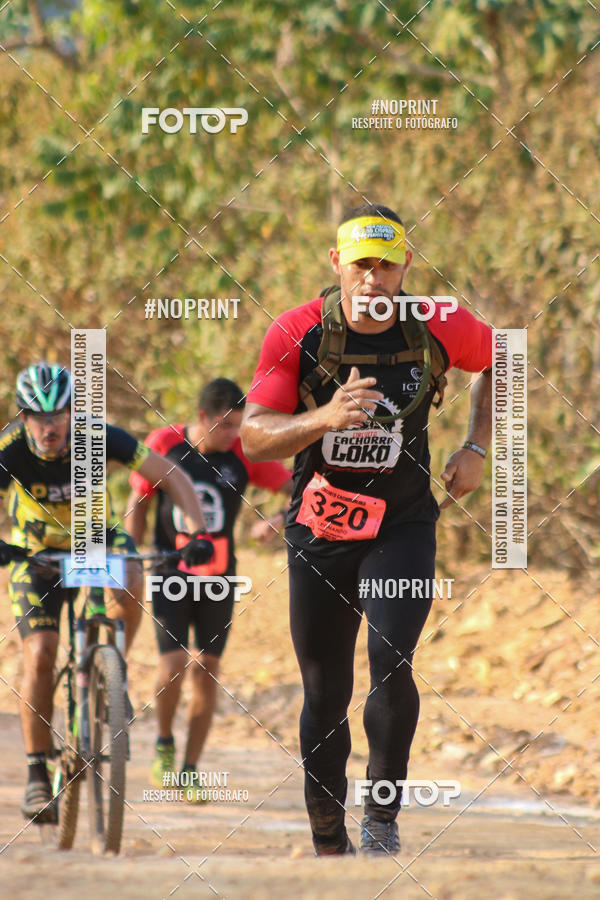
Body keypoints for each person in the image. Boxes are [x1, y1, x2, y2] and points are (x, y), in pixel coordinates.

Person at [240, 203, 493, 856]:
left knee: (390, 662)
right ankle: (329, 837)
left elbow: (506, 360)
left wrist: (478, 446)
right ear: (337, 264)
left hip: (400, 525)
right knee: (325, 693)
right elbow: (254, 436)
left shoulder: (438, 323)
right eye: (362, 265)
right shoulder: (297, 331)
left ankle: (382, 817)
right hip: (320, 528)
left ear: (407, 264)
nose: (374, 278)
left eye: (386, 264)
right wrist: (322, 417)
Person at [0, 362, 212, 822]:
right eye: (38, 416)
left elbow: (171, 475)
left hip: (95, 541)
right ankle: (38, 774)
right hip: (35, 553)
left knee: (133, 574)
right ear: (22, 418)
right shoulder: (10, 449)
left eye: (59, 414)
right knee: (39, 653)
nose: (49, 425)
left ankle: (113, 669)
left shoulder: (98, 436)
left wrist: (198, 533)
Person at [126, 378, 292, 790]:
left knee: (208, 671)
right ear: (202, 417)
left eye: (239, 425)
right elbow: (139, 501)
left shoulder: (244, 452)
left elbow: (298, 491)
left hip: (218, 576)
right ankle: (164, 741)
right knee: (173, 664)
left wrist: (276, 521)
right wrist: (130, 557)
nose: (235, 434)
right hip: (170, 570)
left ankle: (190, 769)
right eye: (227, 425)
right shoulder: (166, 442)